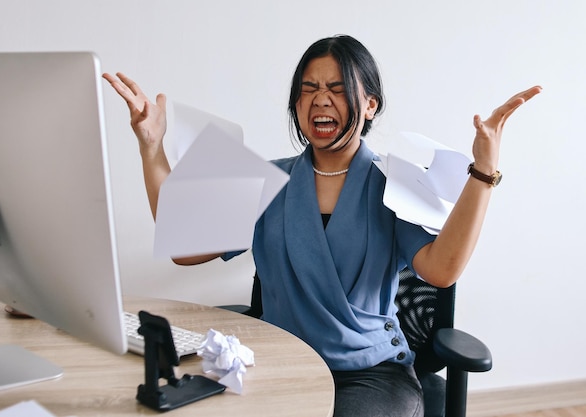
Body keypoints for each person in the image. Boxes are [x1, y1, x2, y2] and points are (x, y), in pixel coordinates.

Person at [104, 35, 541, 417]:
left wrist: (483, 173)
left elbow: (441, 269)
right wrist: (152, 148)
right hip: (281, 365)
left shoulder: (395, 184)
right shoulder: (263, 179)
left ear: (370, 105)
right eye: (308, 89)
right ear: (296, 105)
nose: (320, 98)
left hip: (371, 375)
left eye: (336, 88)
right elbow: (184, 243)